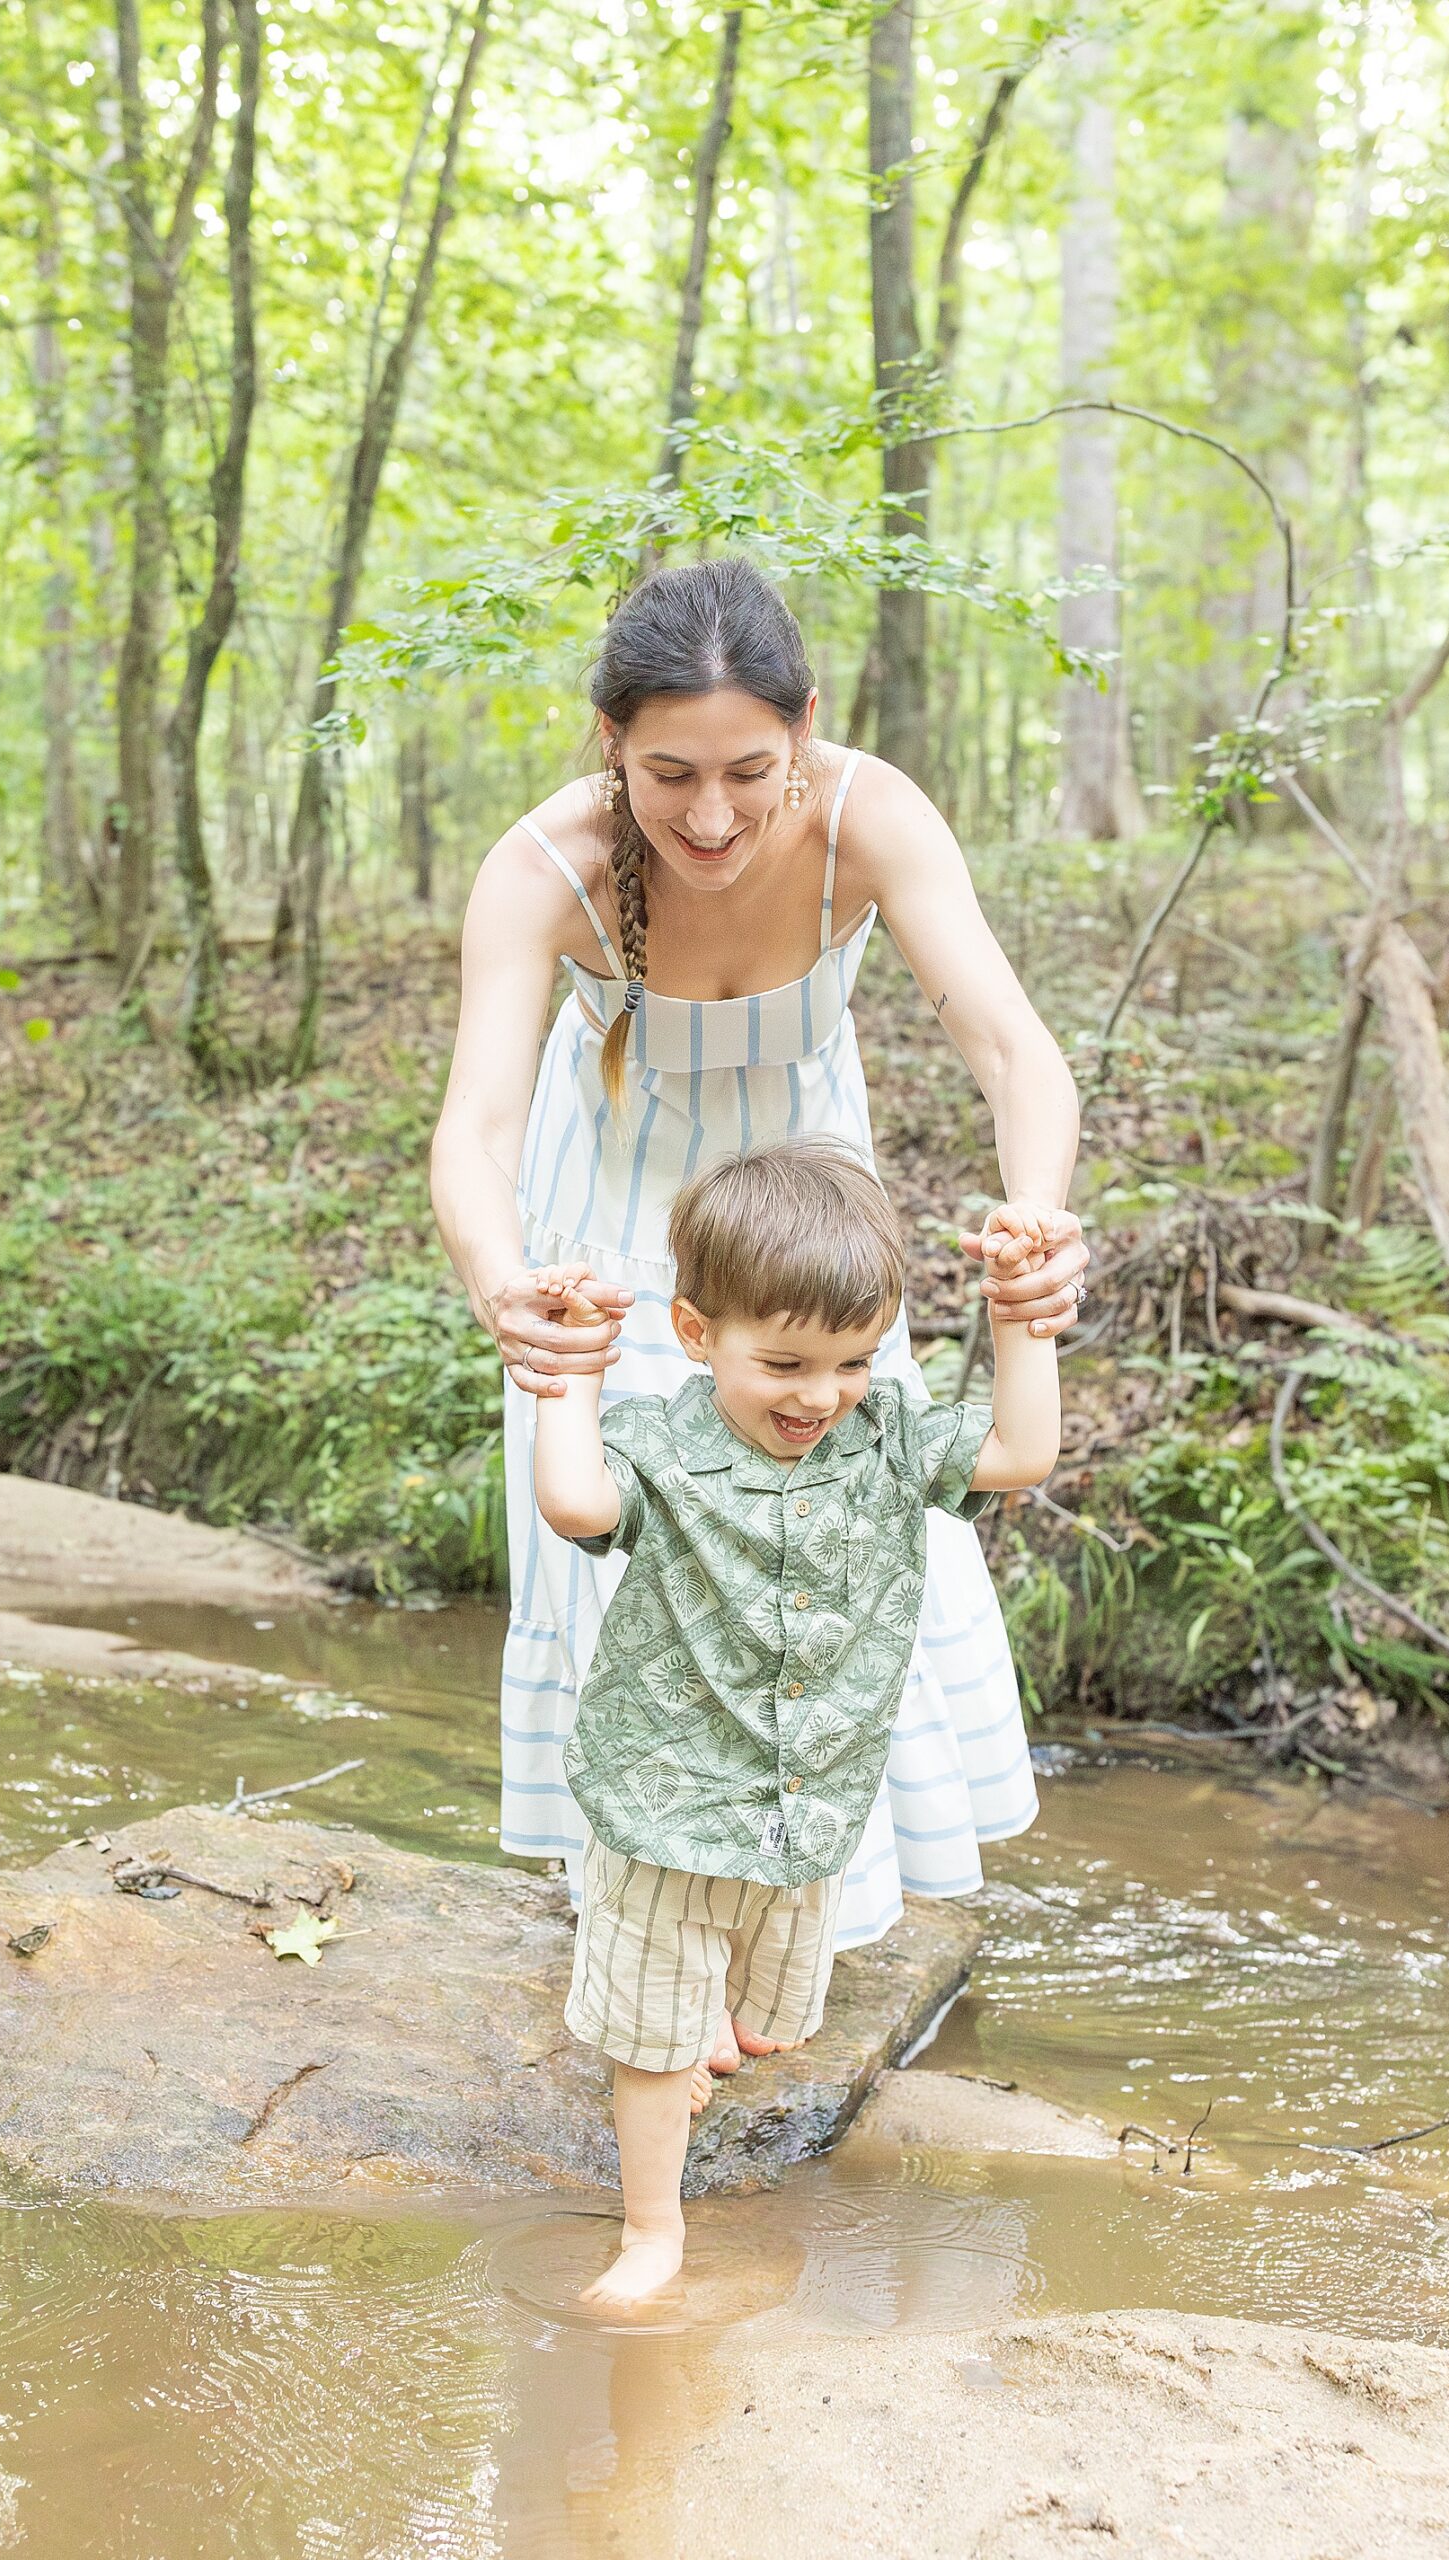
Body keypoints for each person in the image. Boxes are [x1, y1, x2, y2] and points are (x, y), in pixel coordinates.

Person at [429, 555, 1087, 2059]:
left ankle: (804, 1909)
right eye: (667, 776)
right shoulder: (542, 868)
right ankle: (648, 1914)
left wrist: (1036, 1216)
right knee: (628, 1540)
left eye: (744, 770)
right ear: (607, 743)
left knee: (840, 1522)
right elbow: (468, 1129)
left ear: (807, 726)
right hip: (607, 1214)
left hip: (806, 1216)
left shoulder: (871, 818)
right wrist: (504, 1292)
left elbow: (1009, 1050)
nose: (710, 818)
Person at [530, 1141, 1062, 2307]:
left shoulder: (880, 1444)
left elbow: (1022, 1452)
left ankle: (690, 2045)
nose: (818, 1395)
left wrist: (1023, 1319)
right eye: (783, 1362)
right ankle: (651, 2230)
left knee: (769, 2020)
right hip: (668, 1802)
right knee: (654, 2044)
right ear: (693, 1330)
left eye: (853, 1362)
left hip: (803, 1809)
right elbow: (575, 1500)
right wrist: (570, 1368)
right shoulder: (667, 1447)